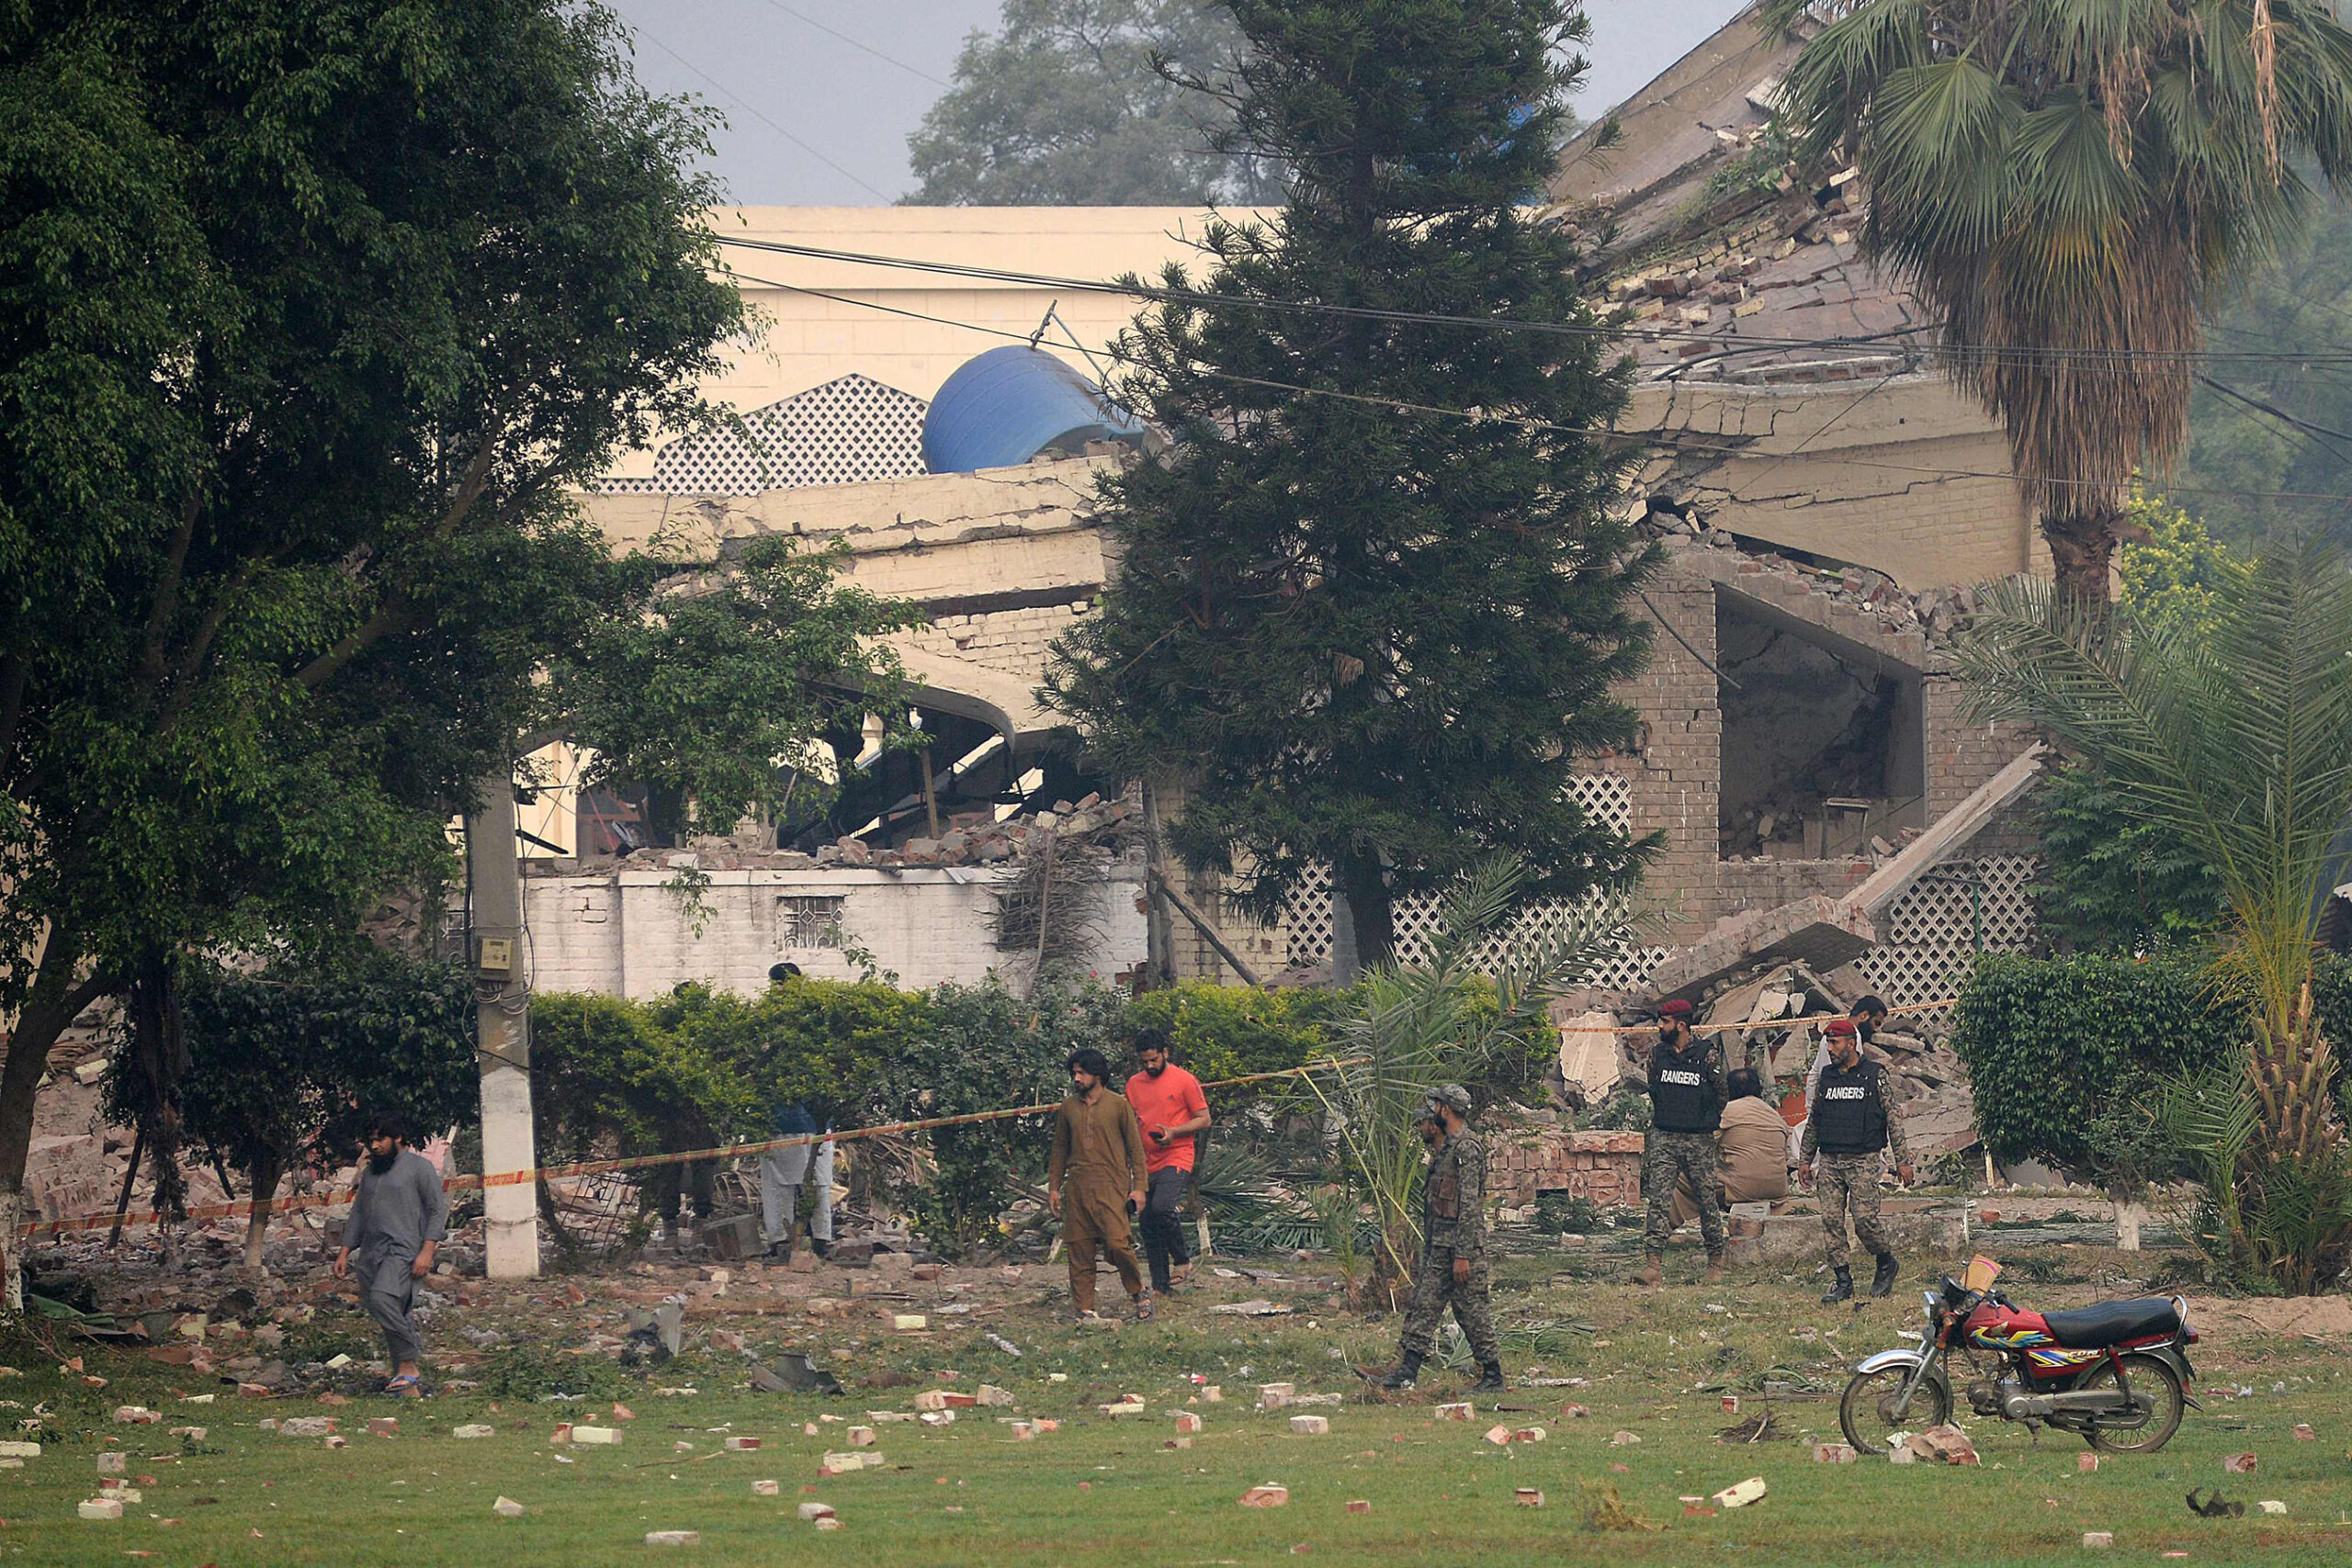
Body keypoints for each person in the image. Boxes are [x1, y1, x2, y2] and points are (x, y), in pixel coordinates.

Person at [1380, 1084, 1502, 1393]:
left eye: (1436, 1106)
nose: (1433, 1111)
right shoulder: (1447, 1149)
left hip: (1462, 1250)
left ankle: (1493, 1375)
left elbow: (1469, 1205)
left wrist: (1462, 1255)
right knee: (1425, 1304)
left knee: (1472, 1312)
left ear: (1446, 1110)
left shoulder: (1467, 1149)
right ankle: (1407, 1371)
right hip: (1440, 1247)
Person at [333, 1114, 448, 1397]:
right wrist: (344, 1252)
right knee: (391, 1312)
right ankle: (406, 1385)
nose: (374, 1146)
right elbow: (359, 1213)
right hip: (371, 1252)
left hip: (404, 1250)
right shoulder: (371, 1173)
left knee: (382, 1299)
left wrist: (427, 1252)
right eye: (371, 1140)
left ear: (397, 1138)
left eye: (380, 1139)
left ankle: (408, 1361)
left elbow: (437, 1210)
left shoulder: (419, 1168)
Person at [1801, 1017, 1916, 1302]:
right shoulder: (1827, 1076)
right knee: (1831, 1220)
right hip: (1830, 1159)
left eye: (1834, 1043)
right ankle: (1842, 1280)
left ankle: (1885, 1261)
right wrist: (1805, 1159)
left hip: (1863, 1159)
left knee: (1864, 1220)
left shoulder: (1874, 1075)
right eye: (1827, 1043)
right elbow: (1814, 1120)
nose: (1829, 1048)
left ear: (1851, 1044)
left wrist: (1903, 1161)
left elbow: (1893, 1120)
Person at [1047, 1047, 1151, 1322]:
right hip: (1078, 1188)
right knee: (1080, 1249)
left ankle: (1139, 1292)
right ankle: (1085, 1309)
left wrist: (1139, 1187)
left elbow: (1135, 1149)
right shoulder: (1069, 1107)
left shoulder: (1118, 1105)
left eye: (1081, 1073)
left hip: (1112, 1186)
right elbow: (1059, 1149)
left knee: (1118, 1244)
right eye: (1074, 1073)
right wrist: (1054, 1187)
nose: (1076, 1078)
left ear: (1097, 1074)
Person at [1634, 998, 1728, 1286]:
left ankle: (1716, 1262)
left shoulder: (1707, 1055)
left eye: (1665, 1022)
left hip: (1698, 1139)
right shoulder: (1658, 1054)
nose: (1660, 1026)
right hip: (1665, 1136)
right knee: (1658, 1201)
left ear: (1682, 1025)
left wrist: (1703, 1120)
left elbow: (1721, 1093)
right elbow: (1654, 1087)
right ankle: (1653, 1265)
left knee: (1706, 1200)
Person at [1124, 1028, 1210, 1294]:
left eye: (1154, 1060)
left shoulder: (1184, 1080)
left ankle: (1183, 1260)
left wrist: (1174, 1132)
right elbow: (1132, 1122)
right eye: (1145, 1062)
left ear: (1165, 1053)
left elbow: (1204, 1119)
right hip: (1146, 1161)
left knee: (1162, 1207)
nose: (1150, 1066)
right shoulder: (1133, 1084)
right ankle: (1160, 1286)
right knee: (1148, 1220)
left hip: (1178, 1153)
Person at [1668, 1066, 1792, 1228]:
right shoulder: (1775, 1116)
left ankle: (1669, 1228)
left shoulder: (1726, 1111)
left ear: (1729, 1090)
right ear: (1759, 1088)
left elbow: (1697, 1144)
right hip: (1778, 1189)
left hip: (1742, 1188)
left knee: (1678, 1174)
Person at [759, 1101, 835, 1262]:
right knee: (817, 1185)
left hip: (783, 1126)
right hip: (812, 1126)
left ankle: (781, 1241)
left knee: (778, 1188)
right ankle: (819, 1241)